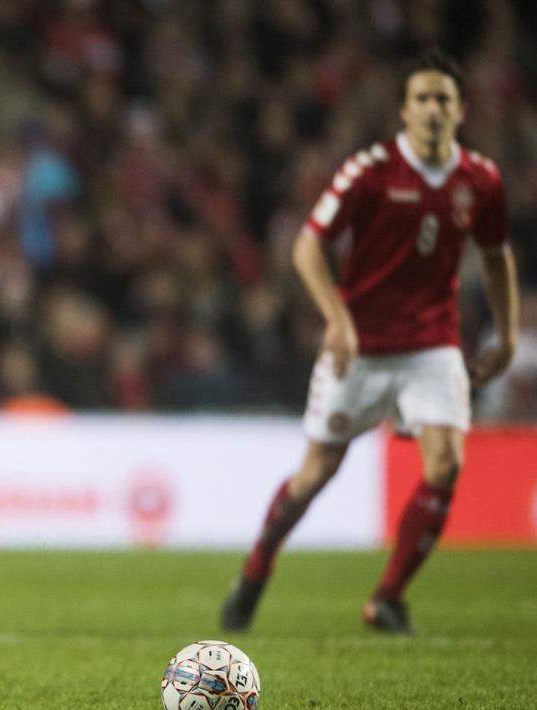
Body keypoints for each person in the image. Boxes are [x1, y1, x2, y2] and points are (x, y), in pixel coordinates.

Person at [220, 50, 519, 635]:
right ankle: (256, 570)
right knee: (313, 476)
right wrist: (337, 317)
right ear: (404, 111)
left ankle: (387, 599)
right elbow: (308, 246)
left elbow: (496, 256)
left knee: (445, 464)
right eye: (423, 99)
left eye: (444, 99)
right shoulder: (371, 171)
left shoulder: (480, 180)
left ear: (460, 111)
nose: (434, 109)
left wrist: (506, 335)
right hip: (359, 347)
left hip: (432, 344)